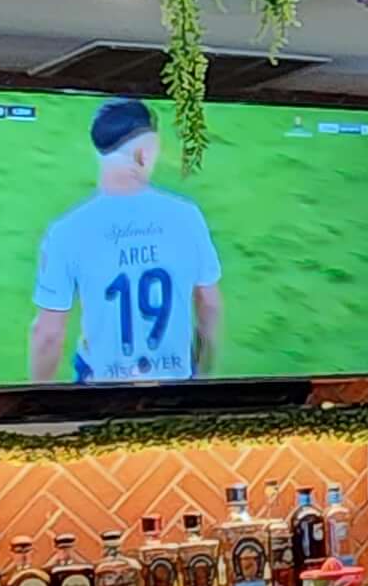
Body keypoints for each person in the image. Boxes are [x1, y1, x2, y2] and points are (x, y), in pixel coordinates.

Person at [27, 97, 224, 383]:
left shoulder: (67, 230)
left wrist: (35, 404)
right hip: (175, 389)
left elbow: (48, 334)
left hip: (100, 391)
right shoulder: (187, 216)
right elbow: (209, 304)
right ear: (145, 153)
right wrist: (202, 375)